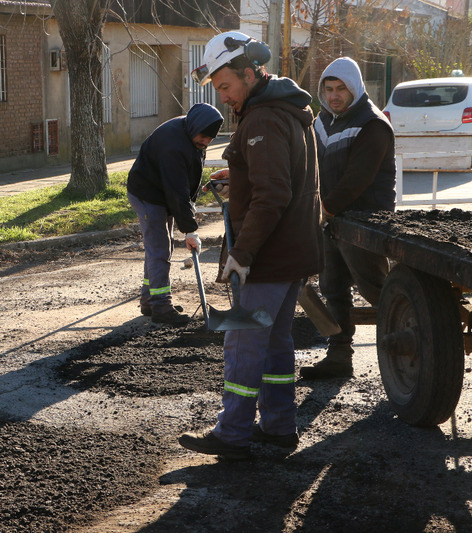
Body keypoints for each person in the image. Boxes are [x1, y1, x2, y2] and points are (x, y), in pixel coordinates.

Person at [178, 31, 323, 460]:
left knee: (240, 342)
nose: (223, 97)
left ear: (250, 72)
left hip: (267, 258)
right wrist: (236, 176)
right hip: (292, 253)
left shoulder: (261, 119)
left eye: (225, 86)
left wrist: (242, 254)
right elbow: (281, 180)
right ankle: (279, 427)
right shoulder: (285, 110)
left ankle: (233, 433)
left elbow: (273, 194)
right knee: (276, 341)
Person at [299, 57, 396, 379]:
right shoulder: (322, 123)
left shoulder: (373, 124)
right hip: (332, 220)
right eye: (328, 89)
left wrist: (323, 210)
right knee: (333, 287)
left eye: (341, 88)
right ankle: (339, 355)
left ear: (354, 88)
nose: (334, 95)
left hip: (365, 222)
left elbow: (359, 178)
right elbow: (305, 166)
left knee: (376, 289)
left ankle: (413, 347)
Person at [127, 103, 223, 325]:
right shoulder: (173, 144)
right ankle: (161, 306)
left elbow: (188, 180)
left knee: (159, 246)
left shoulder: (193, 133)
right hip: (148, 193)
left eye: (210, 139)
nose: (206, 142)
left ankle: (150, 301)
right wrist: (190, 229)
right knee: (159, 247)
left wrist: (189, 211)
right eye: (203, 138)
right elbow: (176, 190)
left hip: (162, 192)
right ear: (195, 128)